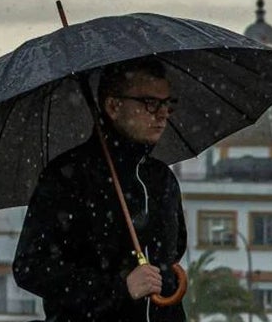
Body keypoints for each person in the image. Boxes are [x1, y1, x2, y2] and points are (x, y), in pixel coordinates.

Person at [13, 58, 187, 321]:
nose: (162, 114)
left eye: (167, 104)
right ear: (114, 106)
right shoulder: (69, 176)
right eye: (151, 103)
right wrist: (118, 289)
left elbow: (171, 256)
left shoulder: (162, 179)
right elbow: (31, 267)